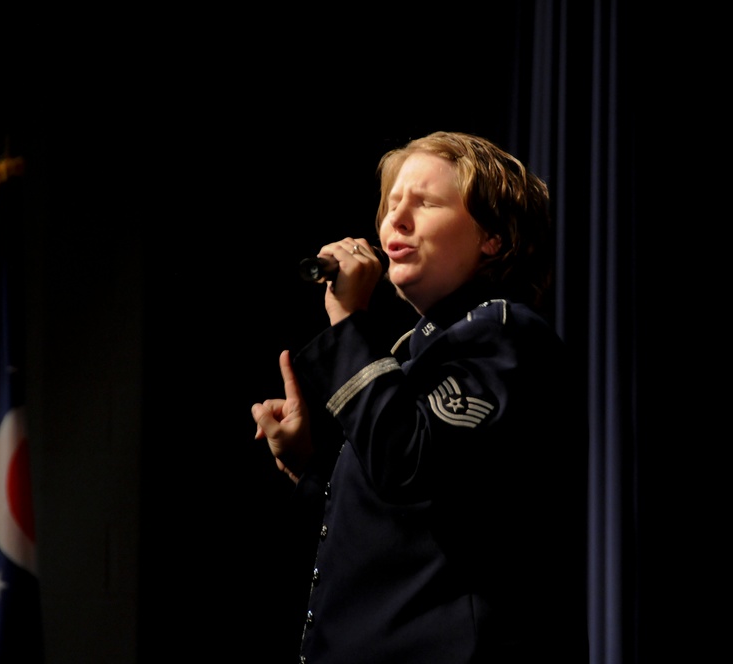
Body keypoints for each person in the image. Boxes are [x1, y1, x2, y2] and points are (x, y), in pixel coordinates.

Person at [251, 131, 587, 663]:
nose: (395, 221)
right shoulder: (419, 360)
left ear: (492, 238)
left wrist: (349, 325)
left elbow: (407, 462)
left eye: (425, 202)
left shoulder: (504, 334)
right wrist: (308, 467)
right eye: (391, 204)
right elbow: (405, 527)